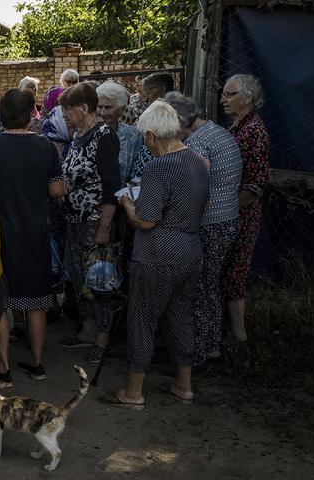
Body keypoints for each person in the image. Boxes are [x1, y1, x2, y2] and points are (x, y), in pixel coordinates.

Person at [99, 101, 209, 410]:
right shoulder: (199, 162)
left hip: (156, 255)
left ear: (150, 136)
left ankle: (133, 392)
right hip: (189, 252)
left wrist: (126, 203)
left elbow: (146, 220)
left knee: (142, 320)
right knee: (181, 317)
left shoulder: (158, 166)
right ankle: (184, 385)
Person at [0, 89, 66, 382]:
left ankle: (3, 368)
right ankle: (38, 363)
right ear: (31, 114)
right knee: (36, 300)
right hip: (34, 232)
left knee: (1, 301)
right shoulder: (44, 147)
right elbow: (56, 190)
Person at [164, 92, 243, 369]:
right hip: (228, 219)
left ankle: (194, 354)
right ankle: (211, 347)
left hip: (209, 223)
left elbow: (194, 190)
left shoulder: (197, 143)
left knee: (197, 288)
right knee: (210, 285)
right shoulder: (218, 132)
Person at [56, 82, 121, 363]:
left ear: (84, 108)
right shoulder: (79, 135)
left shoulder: (104, 136)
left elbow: (111, 185)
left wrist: (104, 227)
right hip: (74, 220)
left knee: (99, 280)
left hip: (95, 221)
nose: (64, 116)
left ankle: (102, 339)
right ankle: (87, 331)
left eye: (68, 111)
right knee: (79, 275)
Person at [221, 74, 269, 349]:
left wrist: (228, 210)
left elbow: (255, 184)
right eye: (224, 94)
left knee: (235, 271)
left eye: (230, 94)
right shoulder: (238, 126)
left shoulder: (254, 131)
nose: (223, 99)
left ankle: (240, 337)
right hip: (230, 212)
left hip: (241, 213)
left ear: (247, 98)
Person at [96, 81, 142, 183]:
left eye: (108, 107)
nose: (102, 112)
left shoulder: (133, 135)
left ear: (121, 110)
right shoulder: (87, 134)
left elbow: (135, 171)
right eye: (99, 107)